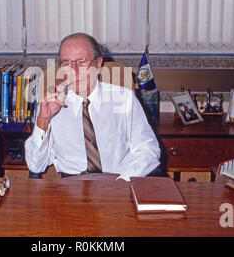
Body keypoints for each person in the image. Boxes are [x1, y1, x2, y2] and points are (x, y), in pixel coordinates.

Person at [25, 32, 162, 181]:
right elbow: (35, 166)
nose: (75, 71)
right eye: (67, 63)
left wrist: (124, 180)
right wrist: (43, 121)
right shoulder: (50, 105)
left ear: (98, 64)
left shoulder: (124, 99)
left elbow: (148, 150)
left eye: (82, 62)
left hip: (118, 185)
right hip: (70, 190)